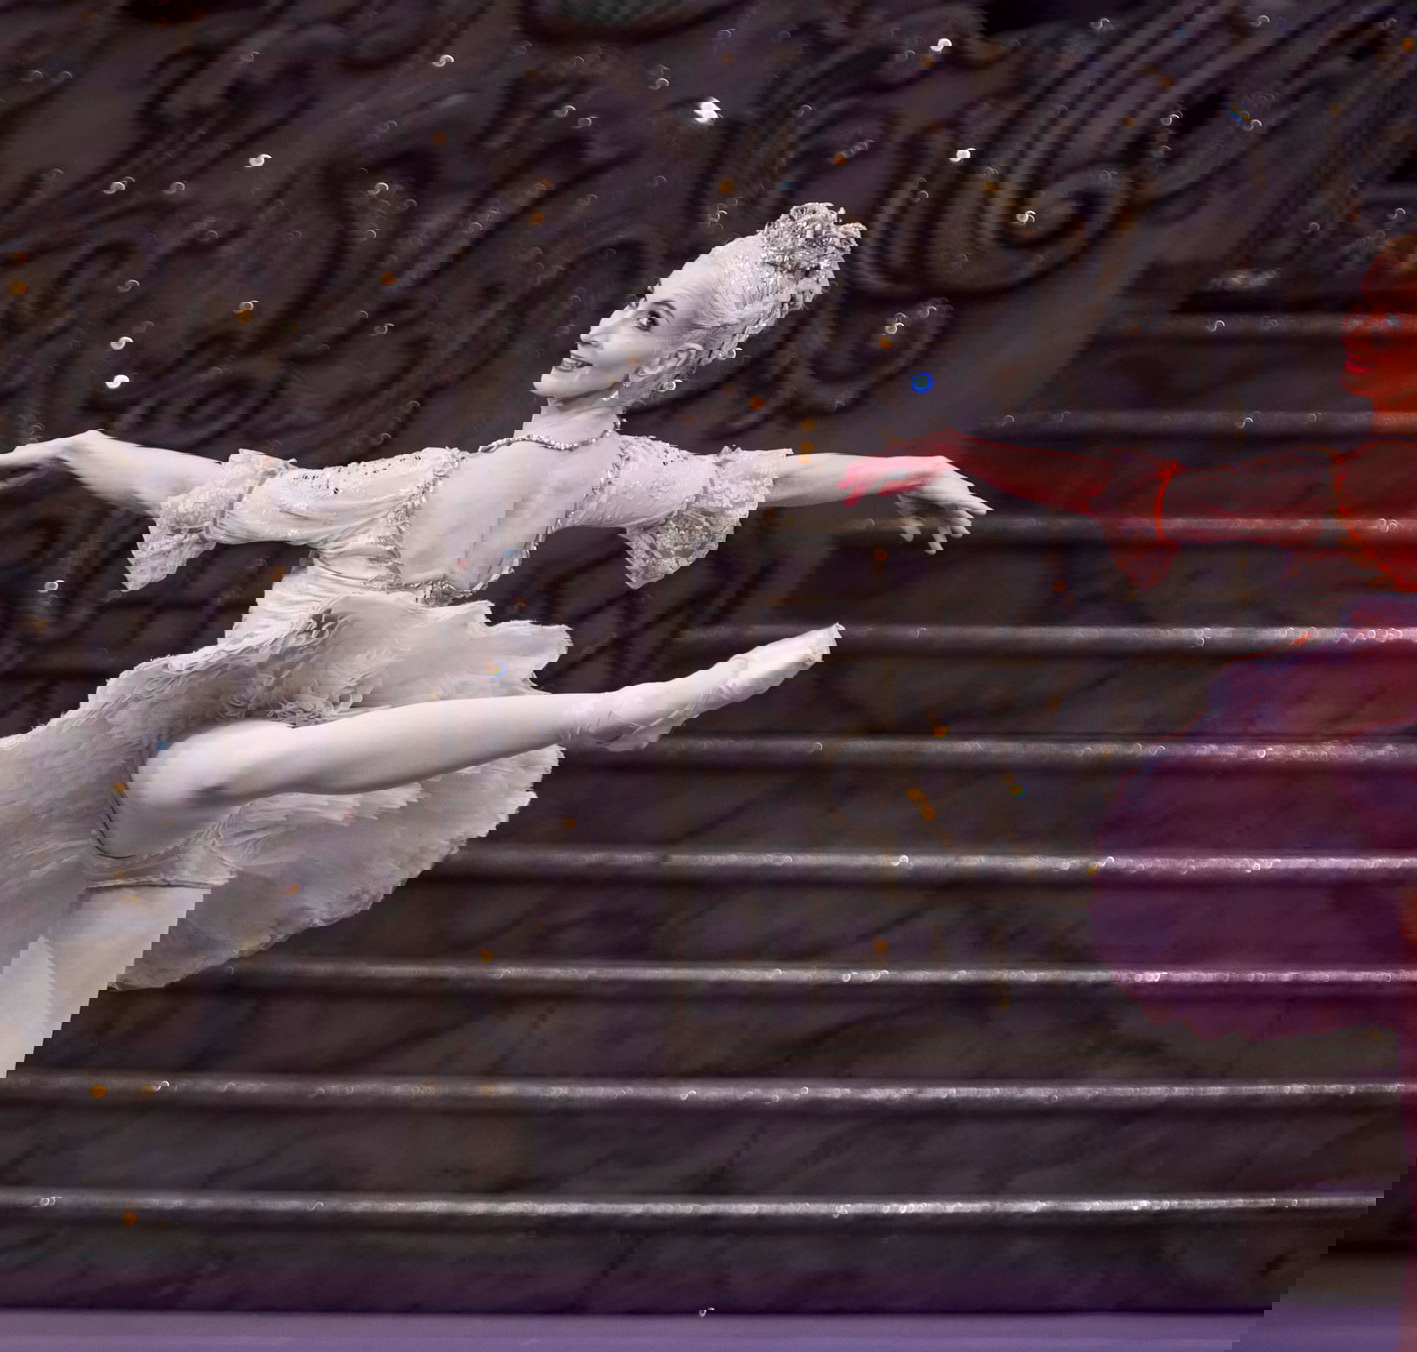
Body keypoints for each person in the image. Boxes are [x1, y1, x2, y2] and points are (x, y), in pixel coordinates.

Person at [0, 202, 987, 1073]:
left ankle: (605, 712)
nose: (602, 328)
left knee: (193, 782)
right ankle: (594, 715)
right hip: (241, 723)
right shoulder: (459, 470)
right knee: (106, 884)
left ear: (679, 363)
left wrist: (911, 470)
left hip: (296, 714)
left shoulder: (593, 467)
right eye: (629, 307)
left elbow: (768, 476)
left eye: (649, 321)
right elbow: (252, 498)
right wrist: (89, 451)